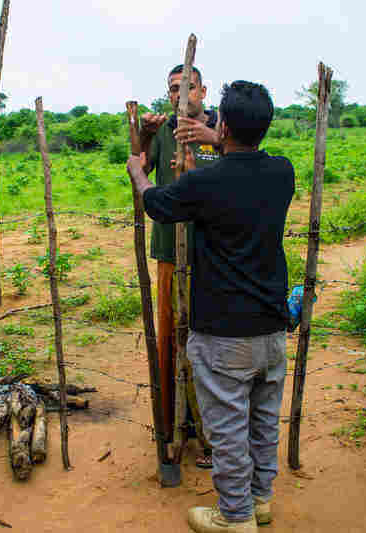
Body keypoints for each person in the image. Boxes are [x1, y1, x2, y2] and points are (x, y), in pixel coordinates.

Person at [127, 80, 294, 532]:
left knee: (227, 431)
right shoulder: (283, 172)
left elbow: (157, 204)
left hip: (224, 333)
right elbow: (240, 162)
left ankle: (236, 518)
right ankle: (260, 502)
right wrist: (218, 135)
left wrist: (137, 171)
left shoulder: (204, 183)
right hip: (272, 329)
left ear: (223, 123)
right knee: (262, 423)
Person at [138, 64, 221, 468]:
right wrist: (145, 135)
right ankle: (174, 425)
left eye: (186, 87)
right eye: (173, 88)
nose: (179, 94)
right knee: (173, 338)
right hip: (170, 249)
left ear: (203, 91)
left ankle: (213, 432)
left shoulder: (223, 128)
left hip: (214, 252)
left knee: (211, 340)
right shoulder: (165, 131)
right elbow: (138, 171)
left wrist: (212, 141)